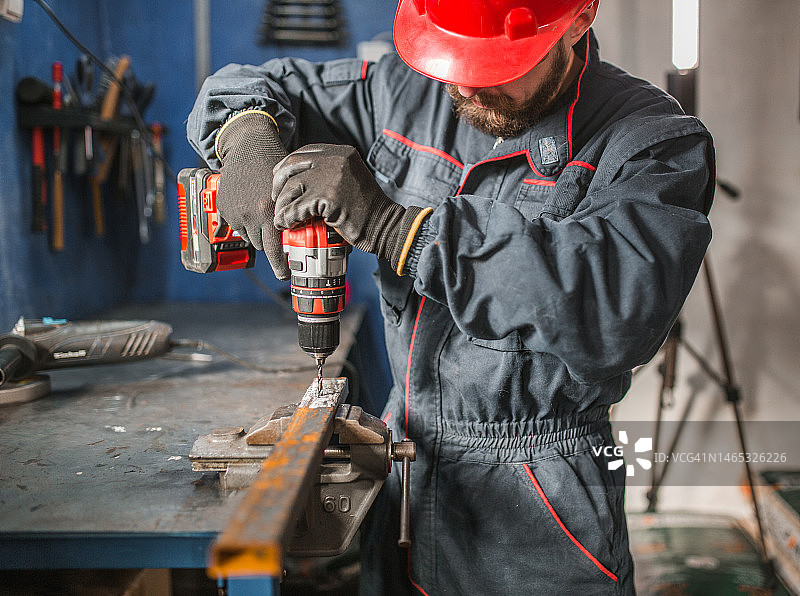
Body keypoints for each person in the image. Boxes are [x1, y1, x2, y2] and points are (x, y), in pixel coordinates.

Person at [187, 0, 715, 593]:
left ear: (578, 19)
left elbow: (613, 307)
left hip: (538, 513)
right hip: (404, 477)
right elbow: (249, 87)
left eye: (498, 64)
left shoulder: (653, 142)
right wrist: (248, 148)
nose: (466, 84)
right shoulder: (405, 93)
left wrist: (399, 231)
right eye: (455, 57)